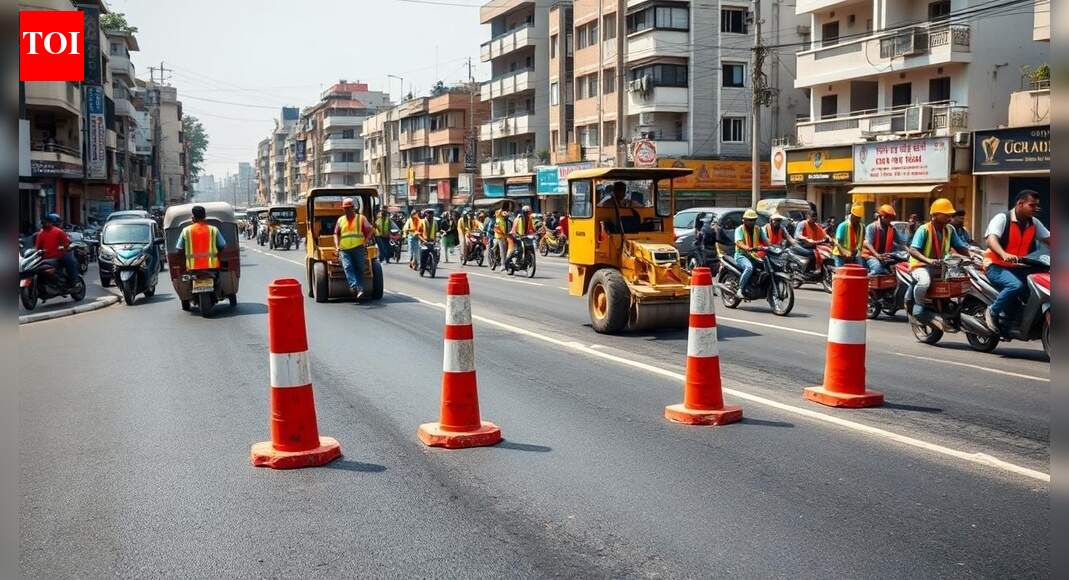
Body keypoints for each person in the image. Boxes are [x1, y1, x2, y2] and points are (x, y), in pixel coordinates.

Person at [982, 189, 1051, 331]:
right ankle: (992, 311)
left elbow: (1051, 239)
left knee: (1040, 285)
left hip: (1019, 267)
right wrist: (1003, 254)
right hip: (996, 265)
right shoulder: (1002, 218)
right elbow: (991, 240)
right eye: (1032, 205)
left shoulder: (1034, 223)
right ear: (1020, 204)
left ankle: (1021, 318)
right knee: (1016, 286)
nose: (1036, 208)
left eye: (1037, 205)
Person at [907, 198, 975, 318]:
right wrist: (928, 260)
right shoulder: (924, 229)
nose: (949, 217)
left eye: (950, 214)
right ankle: (919, 306)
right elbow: (913, 250)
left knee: (959, 281)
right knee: (924, 282)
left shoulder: (950, 229)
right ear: (934, 215)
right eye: (946, 214)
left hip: (941, 266)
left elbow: (960, 247)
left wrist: (971, 258)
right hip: (920, 265)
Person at [333, 198, 374, 297]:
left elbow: (371, 230)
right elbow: (335, 233)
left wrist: (366, 241)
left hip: (358, 248)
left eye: (349, 208)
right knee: (347, 266)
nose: (347, 210)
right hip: (344, 249)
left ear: (353, 208)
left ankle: (360, 289)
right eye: (345, 208)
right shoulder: (340, 220)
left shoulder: (361, 218)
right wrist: (337, 246)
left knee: (359, 268)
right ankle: (354, 286)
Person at [35, 213, 80, 287]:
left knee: (70, 262)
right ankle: (74, 282)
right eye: (59, 222)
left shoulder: (42, 233)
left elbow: (37, 248)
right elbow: (67, 244)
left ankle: (73, 282)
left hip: (49, 258)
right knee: (71, 262)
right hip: (54, 257)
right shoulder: (57, 232)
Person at [862, 204, 908, 274]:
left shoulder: (892, 228)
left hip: (884, 256)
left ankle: (887, 271)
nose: (891, 220)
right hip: (871, 256)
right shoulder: (871, 227)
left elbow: (901, 243)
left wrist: (910, 252)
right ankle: (870, 276)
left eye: (892, 218)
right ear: (881, 217)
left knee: (903, 262)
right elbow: (868, 243)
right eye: (889, 218)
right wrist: (877, 255)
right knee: (877, 269)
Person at [734, 209, 768, 298]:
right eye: (750, 220)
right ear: (744, 220)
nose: (752, 222)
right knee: (749, 268)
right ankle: (740, 289)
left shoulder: (758, 229)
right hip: (741, 255)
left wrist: (773, 247)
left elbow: (766, 241)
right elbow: (738, 242)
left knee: (766, 266)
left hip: (753, 255)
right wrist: (747, 248)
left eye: (754, 220)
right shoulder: (739, 229)